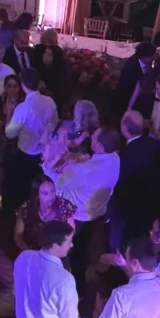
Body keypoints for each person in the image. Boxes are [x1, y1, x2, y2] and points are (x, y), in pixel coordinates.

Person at [47, 126, 121, 299]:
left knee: (67, 249)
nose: (91, 139)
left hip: (76, 215)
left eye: (94, 138)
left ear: (101, 147)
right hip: (96, 214)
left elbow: (59, 183)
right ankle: (79, 286)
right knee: (82, 249)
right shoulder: (115, 159)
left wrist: (48, 168)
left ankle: (65, 288)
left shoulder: (86, 170)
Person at [3, 68, 59, 214]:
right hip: (43, 154)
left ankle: (22, 215)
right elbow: (54, 125)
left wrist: (9, 114)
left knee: (22, 187)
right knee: (37, 188)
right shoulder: (50, 102)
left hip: (25, 154)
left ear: (22, 85)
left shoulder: (24, 107)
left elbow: (9, 133)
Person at [108, 112, 160, 253]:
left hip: (127, 210)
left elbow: (118, 187)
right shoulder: (153, 145)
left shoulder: (125, 157)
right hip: (149, 206)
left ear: (124, 129)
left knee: (120, 246)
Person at [14, 174, 76, 251]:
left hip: (55, 252)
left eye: (52, 191)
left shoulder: (63, 206)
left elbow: (71, 230)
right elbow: (18, 235)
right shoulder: (27, 208)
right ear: (37, 195)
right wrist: (28, 252)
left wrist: (60, 249)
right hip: (32, 250)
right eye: (45, 193)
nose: (50, 197)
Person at [114, 42, 157, 110]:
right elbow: (129, 89)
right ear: (145, 57)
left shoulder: (142, 60)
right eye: (152, 56)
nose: (153, 58)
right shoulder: (132, 68)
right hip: (126, 101)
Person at [31, 28, 68, 99]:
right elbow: (63, 71)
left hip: (38, 84)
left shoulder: (36, 49)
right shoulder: (59, 52)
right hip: (54, 87)